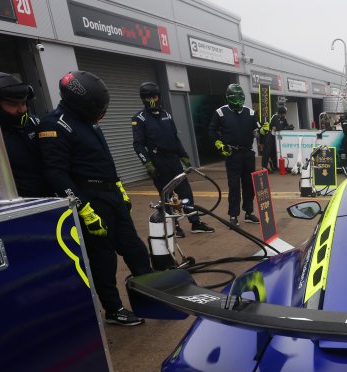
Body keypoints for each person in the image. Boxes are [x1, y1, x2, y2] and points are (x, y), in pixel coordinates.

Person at [39, 70, 152, 326]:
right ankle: (113, 309)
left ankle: (151, 298)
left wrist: (120, 188)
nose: (103, 112)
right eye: (99, 108)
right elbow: (56, 173)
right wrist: (83, 209)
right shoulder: (55, 125)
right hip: (90, 199)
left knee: (135, 249)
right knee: (103, 259)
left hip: (111, 195)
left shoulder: (88, 122)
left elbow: (104, 161)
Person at [132, 82, 213, 237]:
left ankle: (195, 222)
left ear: (159, 97)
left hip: (174, 160)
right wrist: (147, 163)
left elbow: (175, 139)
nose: (152, 100)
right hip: (157, 161)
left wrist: (184, 157)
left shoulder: (166, 115)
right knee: (166, 195)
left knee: (185, 192)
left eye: (154, 97)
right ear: (143, 99)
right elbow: (138, 144)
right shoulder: (139, 118)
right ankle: (174, 227)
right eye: (148, 98)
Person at [0, 72, 47, 197]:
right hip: (15, 202)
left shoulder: (33, 123)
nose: (21, 110)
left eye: (23, 103)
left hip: (50, 198)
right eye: (13, 104)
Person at [208, 83, 259, 225]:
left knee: (249, 185)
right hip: (232, 154)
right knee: (234, 185)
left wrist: (263, 130)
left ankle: (249, 213)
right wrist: (219, 144)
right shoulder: (220, 112)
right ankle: (233, 215)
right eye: (234, 97)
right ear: (229, 97)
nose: (237, 100)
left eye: (239, 97)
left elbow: (257, 129)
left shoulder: (250, 112)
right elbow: (212, 130)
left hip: (248, 153)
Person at [260, 103, 292, 170]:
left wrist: (288, 127)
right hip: (269, 135)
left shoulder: (283, 118)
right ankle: (264, 166)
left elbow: (286, 126)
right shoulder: (276, 116)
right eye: (285, 113)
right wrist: (281, 127)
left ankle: (274, 166)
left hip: (275, 136)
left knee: (274, 151)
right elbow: (279, 128)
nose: (285, 115)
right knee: (267, 151)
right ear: (282, 113)